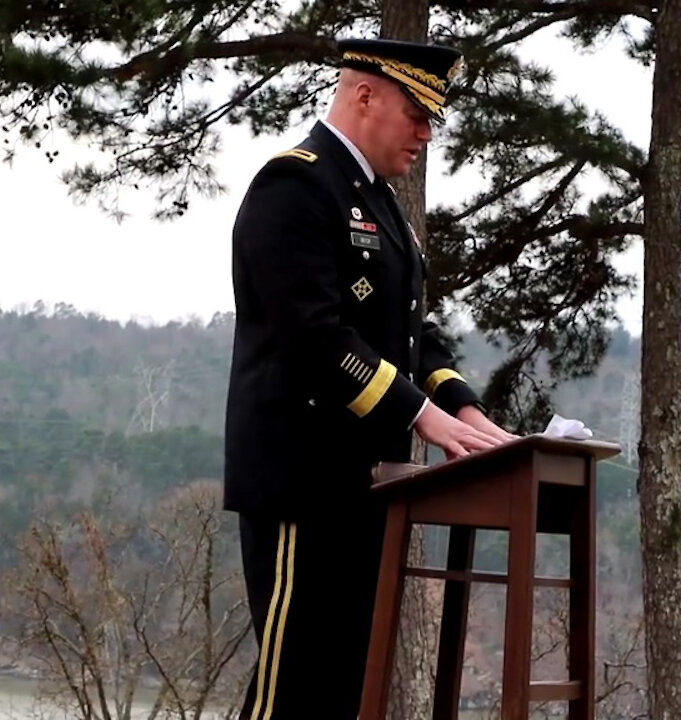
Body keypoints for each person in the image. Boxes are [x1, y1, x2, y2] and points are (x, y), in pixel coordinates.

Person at [223, 37, 516, 719]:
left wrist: (463, 409)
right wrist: (422, 417)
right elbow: (315, 337)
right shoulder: (294, 185)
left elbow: (411, 332)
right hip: (302, 480)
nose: (427, 132)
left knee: (343, 689)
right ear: (363, 95)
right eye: (417, 111)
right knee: (290, 687)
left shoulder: (382, 204)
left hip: (364, 484)